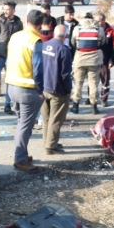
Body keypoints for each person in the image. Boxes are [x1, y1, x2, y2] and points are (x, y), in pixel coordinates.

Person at [5, 9, 45, 172]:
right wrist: (41, 90)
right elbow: (38, 69)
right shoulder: (36, 40)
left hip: (12, 86)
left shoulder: (15, 36)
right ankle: (20, 159)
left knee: (21, 123)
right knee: (25, 125)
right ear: (40, 25)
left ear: (26, 21)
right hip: (27, 90)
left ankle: (22, 153)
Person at [41, 24, 72, 155]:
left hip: (43, 87)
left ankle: (47, 141)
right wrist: (68, 89)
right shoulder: (64, 50)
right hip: (57, 90)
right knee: (56, 119)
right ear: (65, 36)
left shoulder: (43, 45)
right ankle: (51, 146)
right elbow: (65, 75)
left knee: (46, 117)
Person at [70, 12, 105, 114]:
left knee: (78, 83)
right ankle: (94, 107)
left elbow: (73, 42)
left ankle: (76, 106)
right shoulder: (99, 29)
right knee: (93, 83)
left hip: (80, 59)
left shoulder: (77, 28)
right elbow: (103, 42)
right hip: (94, 60)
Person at [95, 11, 114, 106]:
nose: (96, 23)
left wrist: (112, 60)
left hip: (105, 61)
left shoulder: (111, 31)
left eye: (98, 21)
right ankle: (91, 98)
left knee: (105, 81)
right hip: (95, 60)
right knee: (92, 81)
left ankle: (104, 99)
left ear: (103, 21)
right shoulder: (94, 30)